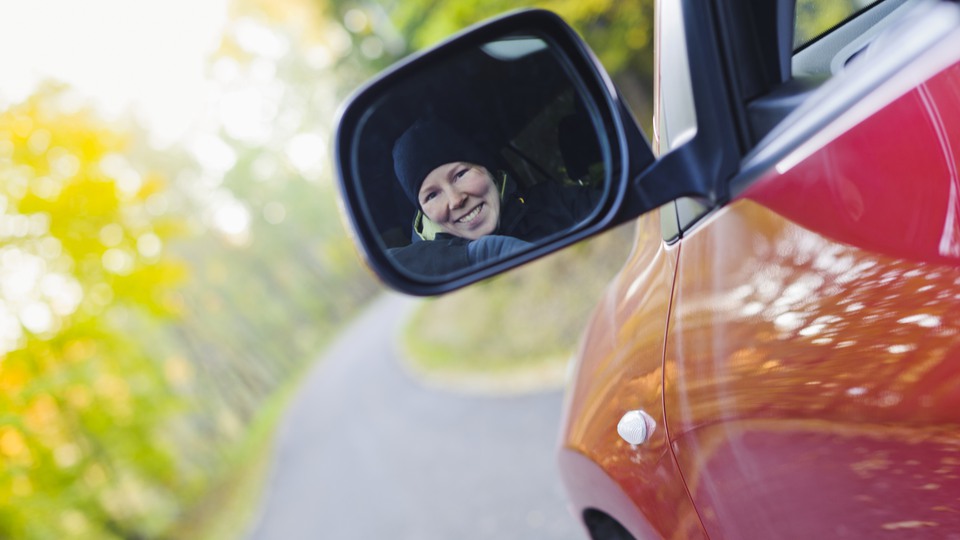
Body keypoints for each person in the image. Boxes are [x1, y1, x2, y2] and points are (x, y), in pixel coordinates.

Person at [388, 117, 601, 276]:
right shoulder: (426, 269)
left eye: (460, 175)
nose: (455, 200)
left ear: (486, 169)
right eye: (432, 195)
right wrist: (481, 253)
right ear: (423, 212)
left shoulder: (554, 203)